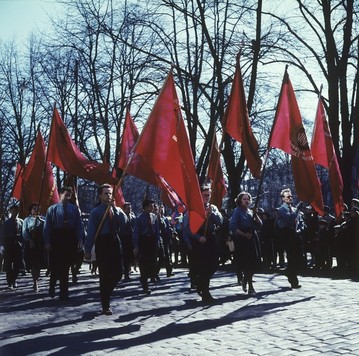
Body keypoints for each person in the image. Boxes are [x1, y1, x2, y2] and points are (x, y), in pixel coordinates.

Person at [85, 184, 127, 316]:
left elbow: (125, 223)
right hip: (102, 243)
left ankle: (106, 292)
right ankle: (105, 304)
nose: (108, 196)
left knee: (119, 272)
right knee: (104, 274)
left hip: (115, 241)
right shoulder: (96, 212)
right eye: (106, 194)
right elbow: (91, 232)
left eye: (110, 193)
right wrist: (87, 249)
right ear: (100, 196)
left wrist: (116, 209)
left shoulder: (116, 209)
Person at [183, 185, 223, 304]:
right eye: (205, 195)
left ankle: (200, 282)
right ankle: (205, 292)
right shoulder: (193, 209)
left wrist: (212, 214)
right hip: (199, 238)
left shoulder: (213, 207)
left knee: (214, 264)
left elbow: (220, 222)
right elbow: (187, 228)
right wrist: (198, 237)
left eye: (209, 195)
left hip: (210, 237)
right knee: (203, 266)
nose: (207, 197)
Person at [43, 186, 85, 300]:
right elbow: (47, 227)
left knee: (66, 266)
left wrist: (80, 239)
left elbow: (78, 226)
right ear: (60, 194)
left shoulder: (74, 209)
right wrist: (47, 242)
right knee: (56, 266)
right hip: (57, 238)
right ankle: (52, 285)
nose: (68, 197)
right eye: (66, 195)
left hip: (69, 238)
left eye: (69, 195)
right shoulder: (52, 209)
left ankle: (64, 293)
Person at [229, 192, 262, 296]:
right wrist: (244, 235)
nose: (246, 201)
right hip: (243, 240)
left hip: (252, 239)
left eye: (248, 199)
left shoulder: (250, 211)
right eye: (244, 199)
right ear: (240, 200)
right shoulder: (237, 211)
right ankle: (251, 287)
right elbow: (233, 227)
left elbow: (259, 225)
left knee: (254, 263)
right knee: (247, 264)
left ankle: (245, 280)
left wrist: (256, 215)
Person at [276, 188, 304, 289]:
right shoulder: (281, 209)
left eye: (291, 196)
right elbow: (289, 219)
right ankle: (293, 280)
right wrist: (297, 209)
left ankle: (289, 272)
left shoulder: (293, 208)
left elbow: (301, 222)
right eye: (288, 196)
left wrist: (300, 229)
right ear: (283, 198)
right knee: (291, 257)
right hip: (287, 234)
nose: (290, 198)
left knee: (299, 257)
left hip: (296, 234)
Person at [133, 199, 160, 295]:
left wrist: (157, 242)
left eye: (153, 206)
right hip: (143, 242)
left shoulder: (154, 217)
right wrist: (136, 246)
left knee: (152, 263)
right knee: (143, 264)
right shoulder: (139, 218)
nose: (152, 208)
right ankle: (145, 285)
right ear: (145, 207)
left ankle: (149, 276)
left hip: (152, 242)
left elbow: (157, 231)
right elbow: (136, 233)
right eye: (150, 206)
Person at [22, 203, 45, 292]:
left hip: (40, 244)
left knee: (38, 263)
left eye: (37, 209)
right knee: (33, 264)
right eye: (34, 209)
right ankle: (35, 282)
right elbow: (24, 232)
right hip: (31, 244)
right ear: (31, 210)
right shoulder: (27, 220)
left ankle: (37, 278)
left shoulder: (43, 219)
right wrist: (30, 241)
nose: (36, 210)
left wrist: (41, 220)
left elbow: (47, 229)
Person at [0, 204, 23, 289]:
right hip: (9, 244)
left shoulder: (21, 222)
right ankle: (10, 281)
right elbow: (2, 235)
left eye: (16, 211)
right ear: (10, 212)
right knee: (8, 265)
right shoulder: (6, 223)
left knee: (17, 265)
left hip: (18, 245)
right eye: (13, 211)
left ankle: (14, 279)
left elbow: (23, 233)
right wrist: (2, 245)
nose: (15, 213)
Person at [120, 202, 136, 281]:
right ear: (124, 209)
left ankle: (127, 271)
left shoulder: (133, 217)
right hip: (123, 238)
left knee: (129, 257)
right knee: (124, 257)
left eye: (130, 208)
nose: (129, 210)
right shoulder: (121, 217)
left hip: (131, 238)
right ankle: (124, 273)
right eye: (128, 208)